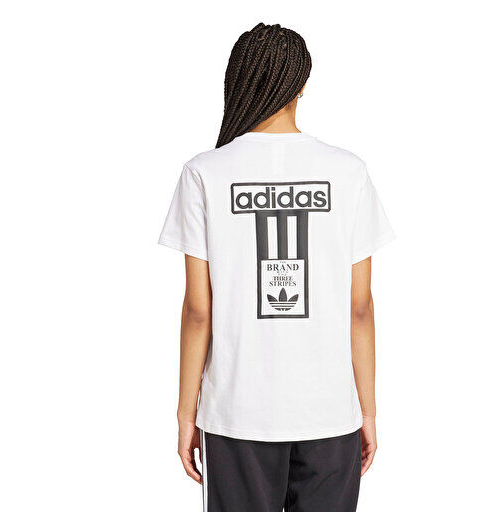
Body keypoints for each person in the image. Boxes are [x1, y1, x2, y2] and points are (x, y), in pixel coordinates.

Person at [159, 22, 394, 512]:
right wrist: (367, 410)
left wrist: (186, 413)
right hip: (330, 412)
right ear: (303, 84)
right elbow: (360, 307)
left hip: (236, 412)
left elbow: (198, 310)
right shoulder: (348, 171)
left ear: (238, 79)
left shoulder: (205, 172)